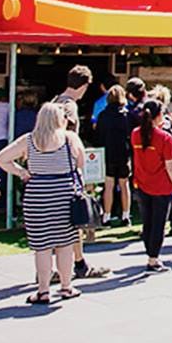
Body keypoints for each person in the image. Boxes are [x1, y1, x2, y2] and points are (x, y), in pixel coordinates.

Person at [0, 103, 84, 304]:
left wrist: (22, 172)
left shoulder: (29, 140)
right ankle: (66, 286)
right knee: (65, 243)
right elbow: (80, 164)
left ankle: (43, 290)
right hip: (64, 193)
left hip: (37, 194)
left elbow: (1, 158)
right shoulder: (70, 138)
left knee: (42, 245)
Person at [52, 65, 108, 279]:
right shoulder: (70, 106)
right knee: (74, 217)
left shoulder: (55, 101)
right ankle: (72, 264)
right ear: (84, 85)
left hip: (51, 166)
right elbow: (69, 139)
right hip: (66, 167)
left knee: (61, 219)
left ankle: (74, 263)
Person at [131, 99, 172, 272]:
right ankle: (153, 258)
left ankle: (150, 254)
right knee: (159, 223)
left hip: (142, 182)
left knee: (147, 221)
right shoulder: (165, 138)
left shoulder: (135, 134)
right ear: (159, 115)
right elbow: (170, 166)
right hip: (161, 185)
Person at [95, 85, 132, 226]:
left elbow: (98, 136)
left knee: (109, 184)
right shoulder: (127, 115)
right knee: (124, 184)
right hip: (123, 153)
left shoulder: (103, 115)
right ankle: (126, 215)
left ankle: (107, 216)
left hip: (108, 153)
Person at [150, 85, 172, 236]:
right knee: (171, 190)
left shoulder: (160, 122)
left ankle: (162, 224)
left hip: (160, 158)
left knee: (161, 193)